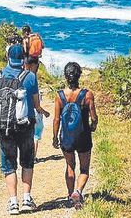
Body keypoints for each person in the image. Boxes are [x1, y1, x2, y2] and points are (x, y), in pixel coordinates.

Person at [0, 35, 42, 215]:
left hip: (3, 126)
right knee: (27, 161)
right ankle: (27, 199)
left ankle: (13, 203)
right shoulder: (30, 77)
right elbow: (35, 104)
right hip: (25, 125)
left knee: (8, 165)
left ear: (8, 58)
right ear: (23, 59)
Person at [52, 62, 98, 209]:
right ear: (79, 75)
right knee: (84, 169)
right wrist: (93, 127)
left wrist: (54, 137)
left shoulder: (59, 96)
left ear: (65, 76)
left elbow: (56, 119)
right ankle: (78, 192)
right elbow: (94, 117)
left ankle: (70, 195)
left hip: (66, 137)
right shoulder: (87, 94)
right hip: (83, 136)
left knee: (70, 166)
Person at [24, 56, 50, 158]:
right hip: (34, 113)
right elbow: (37, 106)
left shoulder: (21, 76)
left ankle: (26, 156)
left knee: (27, 136)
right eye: (37, 65)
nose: (38, 66)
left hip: (24, 112)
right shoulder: (32, 78)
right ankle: (33, 157)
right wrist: (45, 112)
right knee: (35, 136)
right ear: (32, 65)